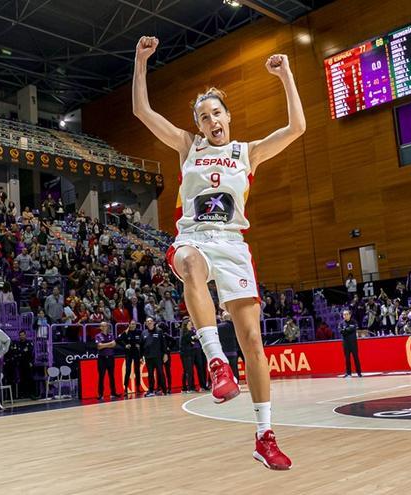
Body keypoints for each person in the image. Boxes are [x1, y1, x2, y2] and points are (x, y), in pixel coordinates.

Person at [133, 35, 303, 469]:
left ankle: (264, 437)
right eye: (203, 116)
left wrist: (285, 76)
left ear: (228, 117)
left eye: (216, 113)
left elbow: (297, 128)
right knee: (189, 264)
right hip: (194, 238)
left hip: (233, 246)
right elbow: (142, 111)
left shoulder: (247, 153)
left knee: (254, 343)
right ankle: (215, 363)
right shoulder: (187, 146)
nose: (211, 121)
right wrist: (140, 62)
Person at [5, 330, 36, 400]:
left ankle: (32, 394)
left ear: (25, 335)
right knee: (21, 379)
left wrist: (22, 354)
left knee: (30, 378)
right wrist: (22, 352)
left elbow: (30, 352)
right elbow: (16, 352)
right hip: (20, 364)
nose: (22, 336)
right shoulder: (17, 343)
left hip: (28, 363)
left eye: (23, 335)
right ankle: (22, 394)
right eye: (20, 335)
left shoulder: (29, 343)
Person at [141, 316, 167, 397]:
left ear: (153, 322)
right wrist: (141, 356)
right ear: (145, 323)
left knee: (161, 373)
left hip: (158, 357)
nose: (149, 322)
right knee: (150, 375)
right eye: (147, 321)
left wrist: (165, 354)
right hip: (148, 358)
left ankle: (164, 390)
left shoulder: (159, 331)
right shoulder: (143, 333)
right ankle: (151, 391)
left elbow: (163, 343)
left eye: (150, 321)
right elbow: (141, 346)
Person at [117, 320, 143, 395]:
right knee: (128, 370)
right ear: (129, 325)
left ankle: (138, 388)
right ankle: (125, 389)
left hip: (136, 354)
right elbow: (118, 340)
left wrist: (139, 345)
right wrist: (125, 345)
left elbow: (142, 341)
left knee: (137, 370)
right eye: (131, 324)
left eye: (134, 324)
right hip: (128, 353)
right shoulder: (126, 332)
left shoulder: (139, 332)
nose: (133, 325)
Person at [94, 321, 119, 400]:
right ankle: (100, 394)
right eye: (103, 326)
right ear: (100, 327)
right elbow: (99, 347)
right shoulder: (98, 336)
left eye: (106, 326)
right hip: (102, 358)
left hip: (111, 357)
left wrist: (104, 344)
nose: (105, 327)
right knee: (101, 376)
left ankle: (113, 392)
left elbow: (114, 344)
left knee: (111, 376)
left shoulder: (111, 335)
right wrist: (109, 344)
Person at [179, 318, 200, 393]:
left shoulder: (189, 332)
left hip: (189, 353)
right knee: (189, 371)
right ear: (185, 325)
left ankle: (185, 388)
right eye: (189, 324)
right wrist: (193, 339)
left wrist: (193, 339)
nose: (191, 325)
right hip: (186, 354)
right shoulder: (185, 333)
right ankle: (190, 388)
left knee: (187, 371)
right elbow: (192, 339)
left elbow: (194, 340)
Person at [340, 309, 362, 378]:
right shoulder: (341, 323)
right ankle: (348, 373)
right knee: (347, 359)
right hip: (345, 344)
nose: (345, 316)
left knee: (356, 358)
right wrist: (348, 329)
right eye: (344, 314)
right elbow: (341, 331)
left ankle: (359, 373)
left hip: (353, 344)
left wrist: (345, 330)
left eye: (346, 314)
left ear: (350, 315)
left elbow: (352, 329)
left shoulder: (354, 322)